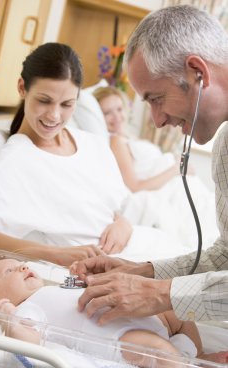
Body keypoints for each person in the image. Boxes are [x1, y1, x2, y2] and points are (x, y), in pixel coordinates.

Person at [71, 5, 228, 326]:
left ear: (198, 72)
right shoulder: (224, 143)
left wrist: (160, 294)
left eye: (156, 98)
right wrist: (143, 272)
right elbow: (225, 256)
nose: (156, 121)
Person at [0, 42, 185, 267]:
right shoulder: (16, 158)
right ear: (22, 88)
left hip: (141, 243)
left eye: (67, 104)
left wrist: (123, 224)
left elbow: (111, 207)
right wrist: (52, 254)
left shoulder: (92, 144)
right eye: (44, 101)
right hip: (108, 264)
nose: (54, 115)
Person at [0, 258, 228, 368]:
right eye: (9, 271)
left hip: (136, 315)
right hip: (119, 337)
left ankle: (200, 356)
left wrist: (85, 276)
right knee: (157, 349)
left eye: (21, 263)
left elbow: (92, 285)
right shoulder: (27, 308)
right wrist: (7, 315)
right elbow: (28, 342)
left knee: (178, 312)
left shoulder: (57, 285)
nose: (22, 267)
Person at [93, 86, 218, 250]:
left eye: (118, 109)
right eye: (107, 112)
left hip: (177, 184)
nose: (116, 117)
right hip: (169, 188)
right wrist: (176, 169)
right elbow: (134, 186)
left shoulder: (130, 137)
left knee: (211, 212)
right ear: (97, 117)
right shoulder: (116, 142)